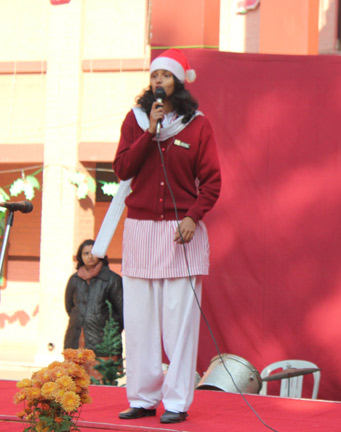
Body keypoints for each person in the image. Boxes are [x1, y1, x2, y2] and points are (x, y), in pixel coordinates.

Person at [113, 49, 222, 424]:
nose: (158, 81)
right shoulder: (137, 120)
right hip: (141, 231)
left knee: (179, 325)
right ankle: (142, 398)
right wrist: (149, 132)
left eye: (165, 75)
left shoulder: (198, 126)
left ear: (178, 82)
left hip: (181, 234)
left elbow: (212, 182)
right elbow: (122, 168)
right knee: (140, 322)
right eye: (154, 75)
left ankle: (176, 402)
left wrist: (193, 216)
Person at [64, 239, 123, 380]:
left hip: (103, 341)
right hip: (77, 337)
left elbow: (121, 311)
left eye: (93, 253)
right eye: (86, 253)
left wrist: (111, 333)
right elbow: (69, 307)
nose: (90, 256)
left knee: (101, 384)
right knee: (75, 383)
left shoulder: (112, 279)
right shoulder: (74, 279)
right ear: (80, 256)